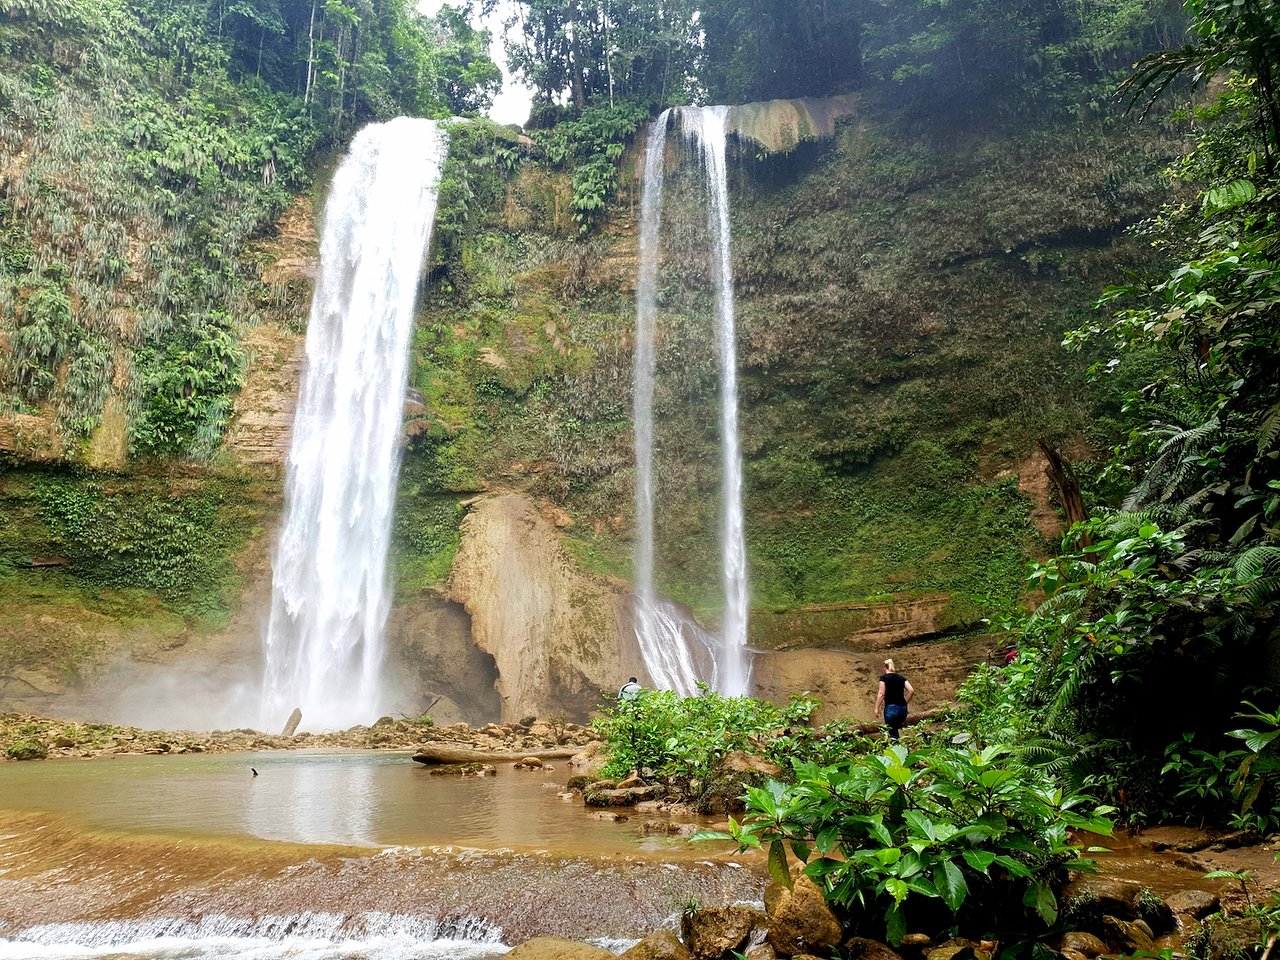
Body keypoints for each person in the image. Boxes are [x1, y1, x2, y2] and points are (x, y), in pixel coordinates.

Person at [875, 658, 914, 742]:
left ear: (885, 667)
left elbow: (881, 693)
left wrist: (877, 708)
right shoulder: (901, 678)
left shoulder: (884, 678)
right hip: (902, 710)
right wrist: (905, 702)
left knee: (892, 734)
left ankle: (897, 748)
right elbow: (911, 690)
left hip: (891, 708)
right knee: (896, 729)